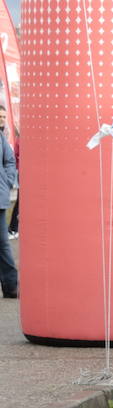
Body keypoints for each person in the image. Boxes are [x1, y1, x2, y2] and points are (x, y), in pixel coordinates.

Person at [0, 106, 15, 298]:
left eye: (4, 116)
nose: (2, 119)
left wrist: (7, 180)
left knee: (3, 243)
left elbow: (10, 162)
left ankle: (12, 287)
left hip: (0, 198)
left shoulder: (2, 139)